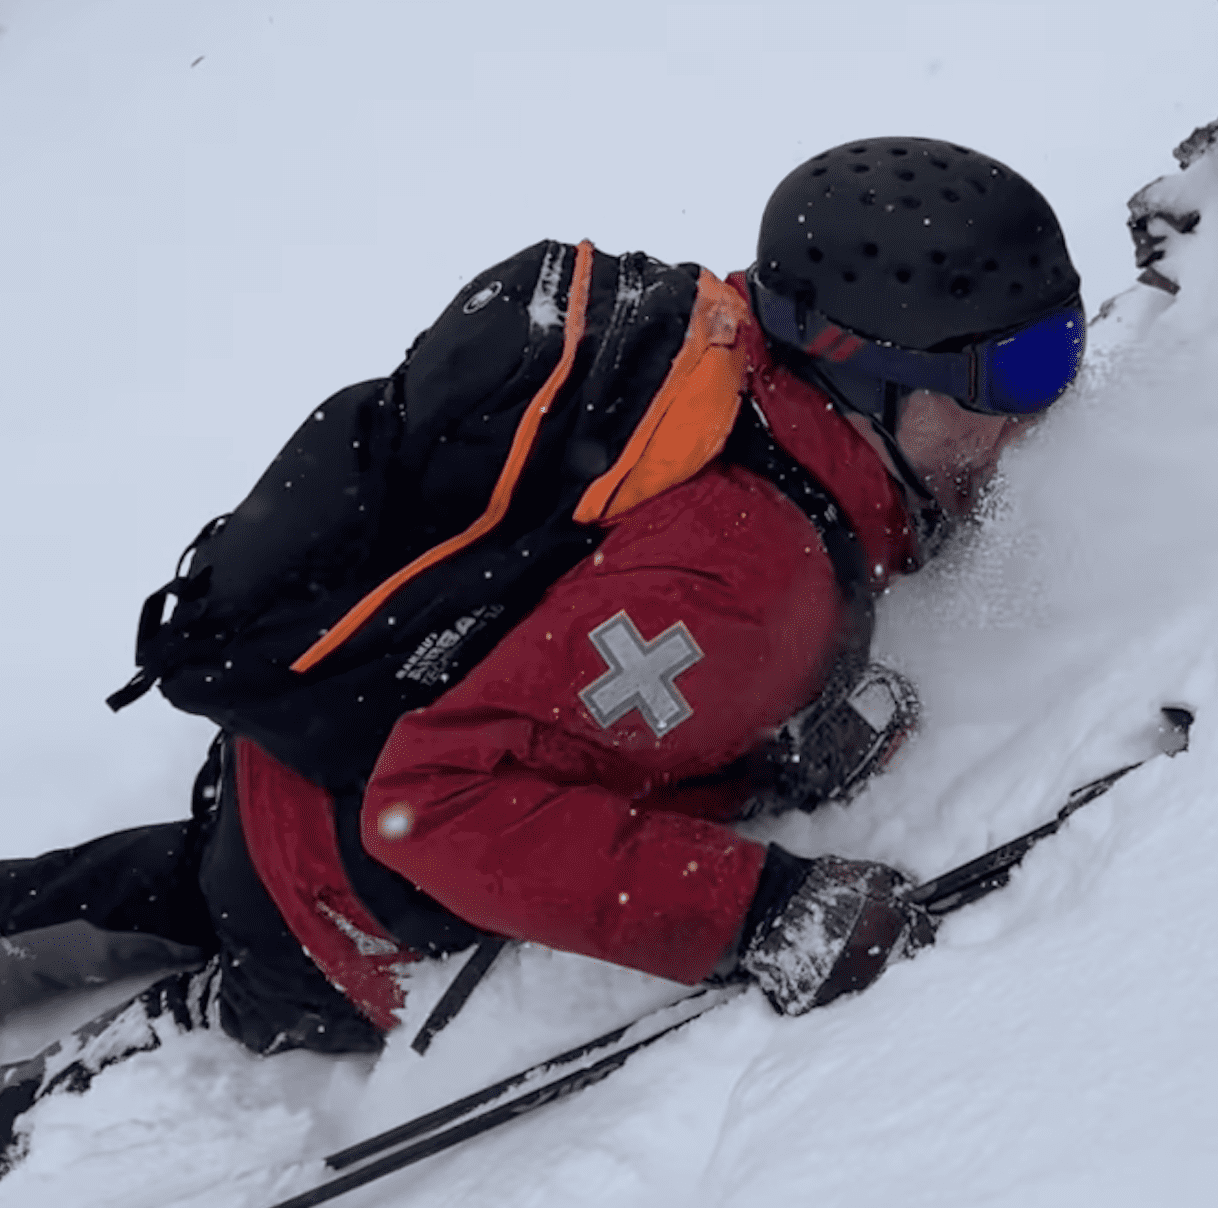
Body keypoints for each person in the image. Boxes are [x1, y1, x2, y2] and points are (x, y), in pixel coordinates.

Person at [0, 136, 1084, 1167]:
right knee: (217, 1005)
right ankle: (85, 1088)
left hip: (293, 761)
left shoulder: (729, 365)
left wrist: (763, 751)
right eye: (1017, 372)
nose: (1037, 420)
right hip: (343, 903)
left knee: (161, 889)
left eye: (1065, 349)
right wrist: (765, 908)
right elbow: (440, 802)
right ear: (870, 370)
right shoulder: (753, 577)